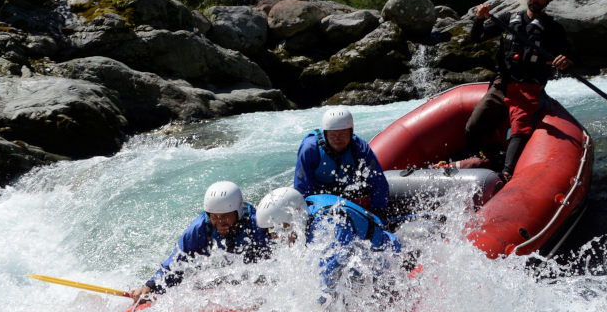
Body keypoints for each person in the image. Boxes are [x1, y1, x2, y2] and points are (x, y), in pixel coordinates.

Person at [462, 0, 573, 181]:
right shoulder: (508, 19)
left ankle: (506, 174)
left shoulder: (554, 29)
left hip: (528, 87)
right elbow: (477, 37)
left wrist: (564, 61)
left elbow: (568, 58)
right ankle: (482, 159)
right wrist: (479, 19)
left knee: (520, 129)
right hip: (502, 84)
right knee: (472, 127)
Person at [128, 181, 271, 301]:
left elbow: (275, 262)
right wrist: (150, 286)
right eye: (214, 217)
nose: (220, 223)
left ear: (238, 212)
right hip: (222, 275)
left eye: (225, 217)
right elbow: (175, 265)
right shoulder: (198, 229)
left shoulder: (257, 224)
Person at [255, 187, 403, 300]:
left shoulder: (330, 224)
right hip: (359, 265)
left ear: (295, 216)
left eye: (280, 229)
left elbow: (327, 276)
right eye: (272, 232)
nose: (277, 237)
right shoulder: (306, 214)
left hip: (386, 260)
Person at [294, 107, 389, 214]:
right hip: (319, 195)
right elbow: (301, 188)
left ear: (351, 133)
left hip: (346, 191)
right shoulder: (310, 149)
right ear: (325, 134)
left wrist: (377, 211)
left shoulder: (360, 148)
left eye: (343, 134)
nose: (338, 139)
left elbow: (378, 182)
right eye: (333, 135)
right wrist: (310, 214)